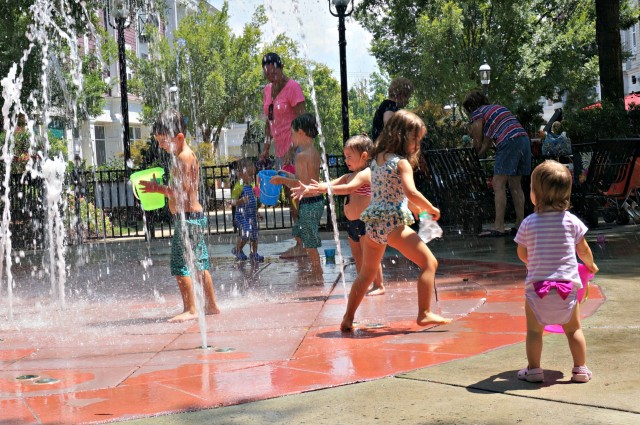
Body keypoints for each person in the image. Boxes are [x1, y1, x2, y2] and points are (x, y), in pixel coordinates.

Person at [340, 110, 451, 332]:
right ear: (402, 136)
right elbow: (410, 192)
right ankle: (424, 313)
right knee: (430, 263)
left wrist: (417, 210)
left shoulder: (376, 161)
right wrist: (430, 207)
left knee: (367, 273)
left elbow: (392, 193)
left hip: (373, 225)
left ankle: (348, 318)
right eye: (415, 139)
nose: (417, 145)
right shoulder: (401, 164)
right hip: (392, 225)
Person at [514, 160, 598, 383]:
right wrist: (590, 264)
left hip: (536, 289)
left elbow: (522, 253)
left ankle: (534, 370)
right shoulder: (572, 221)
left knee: (534, 332)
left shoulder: (528, 223)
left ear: (535, 194)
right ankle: (580, 369)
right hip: (567, 288)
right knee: (574, 330)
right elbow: (584, 249)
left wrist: (532, 262)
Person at [140, 109, 220, 322]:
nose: (161, 146)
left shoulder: (184, 158)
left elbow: (182, 193)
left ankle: (191, 308)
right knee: (199, 263)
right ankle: (211, 306)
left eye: (164, 142)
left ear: (179, 137)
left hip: (187, 218)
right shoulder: (183, 156)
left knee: (180, 263)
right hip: (192, 217)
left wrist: (157, 189)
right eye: (159, 142)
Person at [293, 134, 385, 296]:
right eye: (345, 157)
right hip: (352, 224)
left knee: (370, 257)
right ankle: (363, 283)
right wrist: (312, 188)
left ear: (364, 156)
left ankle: (378, 285)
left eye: (349, 157)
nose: (346, 160)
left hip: (366, 223)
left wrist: (325, 189)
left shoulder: (366, 173)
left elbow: (349, 189)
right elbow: (330, 184)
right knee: (358, 257)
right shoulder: (348, 175)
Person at [462, 89, 531, 237]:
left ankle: (499, 226)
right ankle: (521, 224)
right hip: (523, 139)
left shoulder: (478, 113)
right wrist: (477, 156)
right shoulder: (496, 110)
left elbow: (478, 141)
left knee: (498, 184)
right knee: (515, 185)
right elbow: (487, 143)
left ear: (470, 107)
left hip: (508, 141)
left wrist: (473, 153)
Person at [260, 52, 307, 258]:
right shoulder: (268, 91)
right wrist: (265, 147)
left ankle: (305, 243)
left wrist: (291, 149)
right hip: (281, 152)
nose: (271, 75)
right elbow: (268, 122)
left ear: (282, 67)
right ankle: (300, 242)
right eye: (267, 73)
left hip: (297, 151)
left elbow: (303, 120)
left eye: (274, 71)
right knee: (290, 198)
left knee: (299, 196)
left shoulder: (293, 88)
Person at [269, 113, 324, 275]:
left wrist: (282, 180)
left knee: (309, 241)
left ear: (300, 132)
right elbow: (308, 180)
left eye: (292, 134)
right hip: (316, 200)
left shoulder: (301, 156)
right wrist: (286, 175)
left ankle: (317, 272)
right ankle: (315, 269)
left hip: (308, 203)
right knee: (303, 234)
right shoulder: (314, 152)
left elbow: (301, 184)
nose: (291, 138)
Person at [231, 158, 263, 263]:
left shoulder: (251, 187)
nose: (252, 177)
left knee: (254, 235)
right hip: (242, 216)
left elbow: (253, 203)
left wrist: (257, 213)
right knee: (246, 233)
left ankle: (254, 253)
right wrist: (241, 200)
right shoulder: (238, 187)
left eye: (253, 175)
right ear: (240, 174)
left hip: (251, 215)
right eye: (249, 174)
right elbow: (233, 202)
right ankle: (238, 250)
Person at [370, 77, 414, 142]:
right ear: (401, 94)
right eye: (408, 97)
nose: (408, 101)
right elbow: (388, 123)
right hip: (385, 149)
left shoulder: (386, 105)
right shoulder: (391, 106)